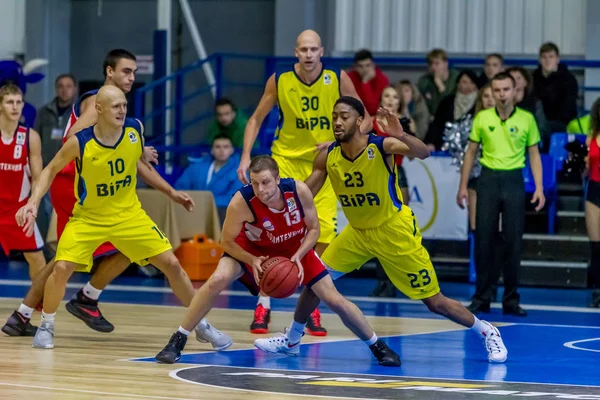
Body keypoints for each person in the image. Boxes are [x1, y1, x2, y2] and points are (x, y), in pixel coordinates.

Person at [2, 50, 228, 350]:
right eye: (116, 105)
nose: (122, 109)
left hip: (127, 215)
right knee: (61, 266)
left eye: (124, 105)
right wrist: (32, 203)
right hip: (88, 213)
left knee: (171, 263)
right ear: (99, 108)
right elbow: (51, 168)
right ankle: (47, 323)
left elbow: (137, 162)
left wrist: (170, 191)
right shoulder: (82, 137)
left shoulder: (134, 130)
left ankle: (200, 324)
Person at [255, 96, 508, 364]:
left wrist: (403, 135)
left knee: (435, 302)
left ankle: (487, 331)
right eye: (334, 117)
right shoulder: (327, 156)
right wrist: (276, 211)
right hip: (357, 233)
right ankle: (292, 340)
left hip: (393, 230)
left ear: (361, 121)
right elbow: (305, 194)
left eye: (344, 116)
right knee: (315, 283)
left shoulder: (381, 145)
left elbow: (424, 153)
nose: (338, 122)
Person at [155, 155, 400, 367]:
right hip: (254, 252)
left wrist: (299, 255)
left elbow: (314, 229)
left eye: (266, 182)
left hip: (294, 250)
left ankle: (378, 346)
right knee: (217, 279)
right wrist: (252, 259)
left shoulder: (299, 190)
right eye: (255, 183)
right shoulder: (242, 201)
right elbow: (227, 242)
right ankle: (178, 340)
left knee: (333, 298)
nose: (260, 189)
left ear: (278, 178)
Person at [237, 29, 372, 336]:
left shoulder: (338, 79)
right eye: (303, 49)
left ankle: (311, 306)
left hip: (322, 164)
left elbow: (365, 119)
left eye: (313, 49)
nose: (309, 54)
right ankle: (264, 302)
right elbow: (256, 118)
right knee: (274, 235)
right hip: (283, 163)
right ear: (295, 52)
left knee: (320, 235)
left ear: (321, 51)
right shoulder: (280, 79)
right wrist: (245, 156)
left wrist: (338, 138)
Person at [457, 72, 545, 316]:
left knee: (513, 241)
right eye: (497, 90)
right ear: (492, 92)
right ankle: (482, 297)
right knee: (483, 239)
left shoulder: (527, 119)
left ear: (515, 90)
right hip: (488, 178)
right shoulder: (482, 118)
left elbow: (534, 154)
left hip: (514, 179)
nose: (502, 94)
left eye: (506, 89)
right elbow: (471, 152)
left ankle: (511, 299)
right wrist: (463, 186)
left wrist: (538, 187)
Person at [0, 84, 46, 286]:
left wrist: (32, 207)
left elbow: (38, 178)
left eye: (19, 102)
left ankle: (38, 300)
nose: (15, 106)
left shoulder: (30, 137)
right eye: (10, 102)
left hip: (17, 210)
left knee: (36, 257)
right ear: (0, 105)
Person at [585, 97, 600, 308]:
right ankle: (597, 290)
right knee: (596, 245)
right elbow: (587, 168)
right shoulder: (592, 137)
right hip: (595, 190)